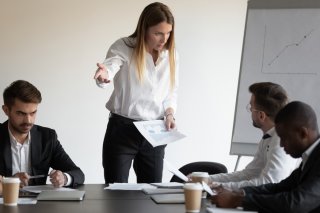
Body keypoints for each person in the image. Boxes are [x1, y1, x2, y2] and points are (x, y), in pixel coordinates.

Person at [93, 2, 178, 183]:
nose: (164, 39)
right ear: (144, 29)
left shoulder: (171, 54)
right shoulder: (124, 46)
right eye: (158, 33)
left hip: (155, 131)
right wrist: (103, 76)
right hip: (123, 130)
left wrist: (170, 114)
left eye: (168, 33)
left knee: (150, 194)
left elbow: (170, 92)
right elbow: (110, 66)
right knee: (115, 192)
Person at [211, 101, 320, 213]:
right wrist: (240, 193)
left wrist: (239, 200)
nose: (281, 145)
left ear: (303, 133)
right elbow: (280, 187)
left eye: (284, 138)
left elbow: (296, 203)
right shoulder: (310, 156)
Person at [208, 82, 297, 191]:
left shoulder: (280, 141)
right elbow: (249, 174)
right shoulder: (269, 137)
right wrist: (207, 179)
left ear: (261, 115)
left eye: (251, 107)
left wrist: (221, 186)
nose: (250, 110)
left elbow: (268, 183)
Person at [0, 80, 85, 188]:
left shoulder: (47, 138)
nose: (28, 120)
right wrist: (10, 182)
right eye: (21, 113)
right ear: (6, 110)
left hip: (39, 204)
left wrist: (64, 178)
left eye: (33, 113)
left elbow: (78, 174)